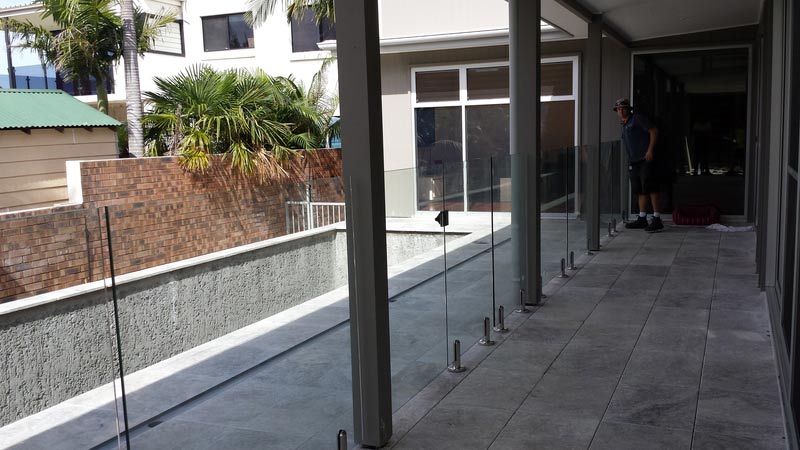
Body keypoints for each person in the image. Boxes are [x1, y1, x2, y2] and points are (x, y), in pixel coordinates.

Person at [614, 98, 663, 232]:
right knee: (639, 189)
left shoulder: (637, 119)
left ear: (628, 109)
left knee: (651, 186)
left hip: (645, 159)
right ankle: (642, 218)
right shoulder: (624, 125)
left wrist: (650, 150)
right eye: (618, 109)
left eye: (623, 108)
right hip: (634, 162)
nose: (620, 110)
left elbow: (654, 131)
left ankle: (657, 218)